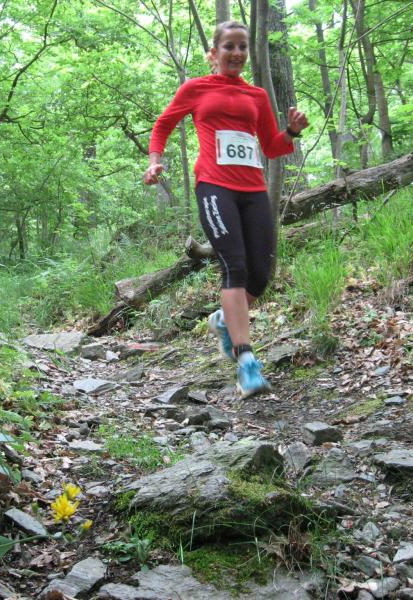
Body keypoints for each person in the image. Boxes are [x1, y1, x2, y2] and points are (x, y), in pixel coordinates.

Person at [142, 20, 308, 399]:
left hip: (253, 189)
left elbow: (271, 147)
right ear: (214, 53)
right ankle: (246, 361)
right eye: (229, 46)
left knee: (260, 276)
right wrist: (154, 161)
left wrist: (292, 131)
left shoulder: (257, 96)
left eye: (242, 47)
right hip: (215, 187)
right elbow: (163, 124)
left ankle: (223, 319)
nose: (236, 53)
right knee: (235, 267)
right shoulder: (196, 88)